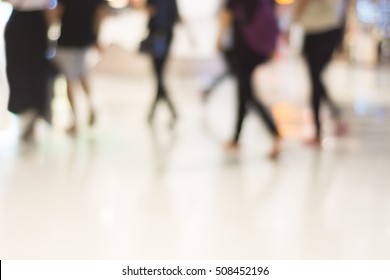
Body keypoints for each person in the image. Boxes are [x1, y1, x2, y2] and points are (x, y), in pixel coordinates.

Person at [217, 0, 281, 159]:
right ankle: (236, 138)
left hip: (243, 47)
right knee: (243, 92)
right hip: (258, 48)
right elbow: (274, 14)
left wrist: (218, 38)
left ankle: (275, 132)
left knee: (247, 94)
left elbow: (227, 14)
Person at [292, 0, 349, 146]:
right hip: (322, 30)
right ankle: (332, 119)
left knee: (315, 79)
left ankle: (319, 130)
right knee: (316, 78)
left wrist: (295, 16)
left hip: (322, 30)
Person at [4, 0, 55, 141]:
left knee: (25, 69)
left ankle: (29, 111)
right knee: (29, 69)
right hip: (33, 22)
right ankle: (29, 111)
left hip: (27, 22)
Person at [54, 0, 108, 134]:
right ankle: (92, 105)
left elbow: (57, 11)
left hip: (68, 38)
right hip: (85, 38)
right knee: (83, 74)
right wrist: (97, 37)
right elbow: (101, 13)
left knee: (70, 80)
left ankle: (75, 120)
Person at [143, 0, 180, 124]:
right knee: (159, 75)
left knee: (159, 76)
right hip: (162, 36)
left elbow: (150, 11)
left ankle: (167, 110)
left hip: (162, 36)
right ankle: (169, 110)